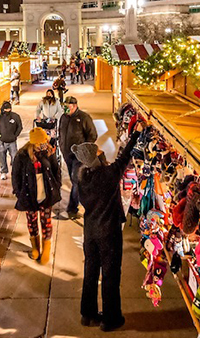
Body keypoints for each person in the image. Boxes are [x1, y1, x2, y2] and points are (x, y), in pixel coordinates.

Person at [74, 130, 140, 332]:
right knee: (110, 276)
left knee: (90, 272)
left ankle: (88, 314)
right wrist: (136, 135)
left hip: (91, 232)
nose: (102, 152)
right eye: (99, 152)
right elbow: (124, 158)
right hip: (108, 233)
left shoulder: (83, 178)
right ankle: (111, 318)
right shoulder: (108, 176)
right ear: (96, 158)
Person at [12, 127, 62, 265]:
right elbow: (15, 176)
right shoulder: (22, 155)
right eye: (41, 143)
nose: (44, 144)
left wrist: (57, 185)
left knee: (46, 222)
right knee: (32, 222)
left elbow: (56, 170)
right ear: (34, 143)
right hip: (30, 196)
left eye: (44, 141)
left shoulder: (49, 151)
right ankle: (35, 247)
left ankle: (46, 247)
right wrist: (18, 192)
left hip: (46, 195)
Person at [57, 96, 97, 219]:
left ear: (74, 106)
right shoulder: (63, 117)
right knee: (74, 180)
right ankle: (82, 197)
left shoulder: (84, 118)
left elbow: (93, 135)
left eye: (67, 107)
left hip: (79, 156)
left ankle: (72, 208)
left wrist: (84, 150)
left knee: (76, 181)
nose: (65, 109)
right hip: (67, 154)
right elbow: (60, 132)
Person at [0, 101, 23, 180]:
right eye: (6, 109)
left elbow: (19, 126)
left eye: (9, 109)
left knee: (15, 157)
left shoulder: (15, 116)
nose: (7, 111)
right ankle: (3, 172)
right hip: (2, 142)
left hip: (12, 141)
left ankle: (16, 172)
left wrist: (15, 135)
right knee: (2, 157)